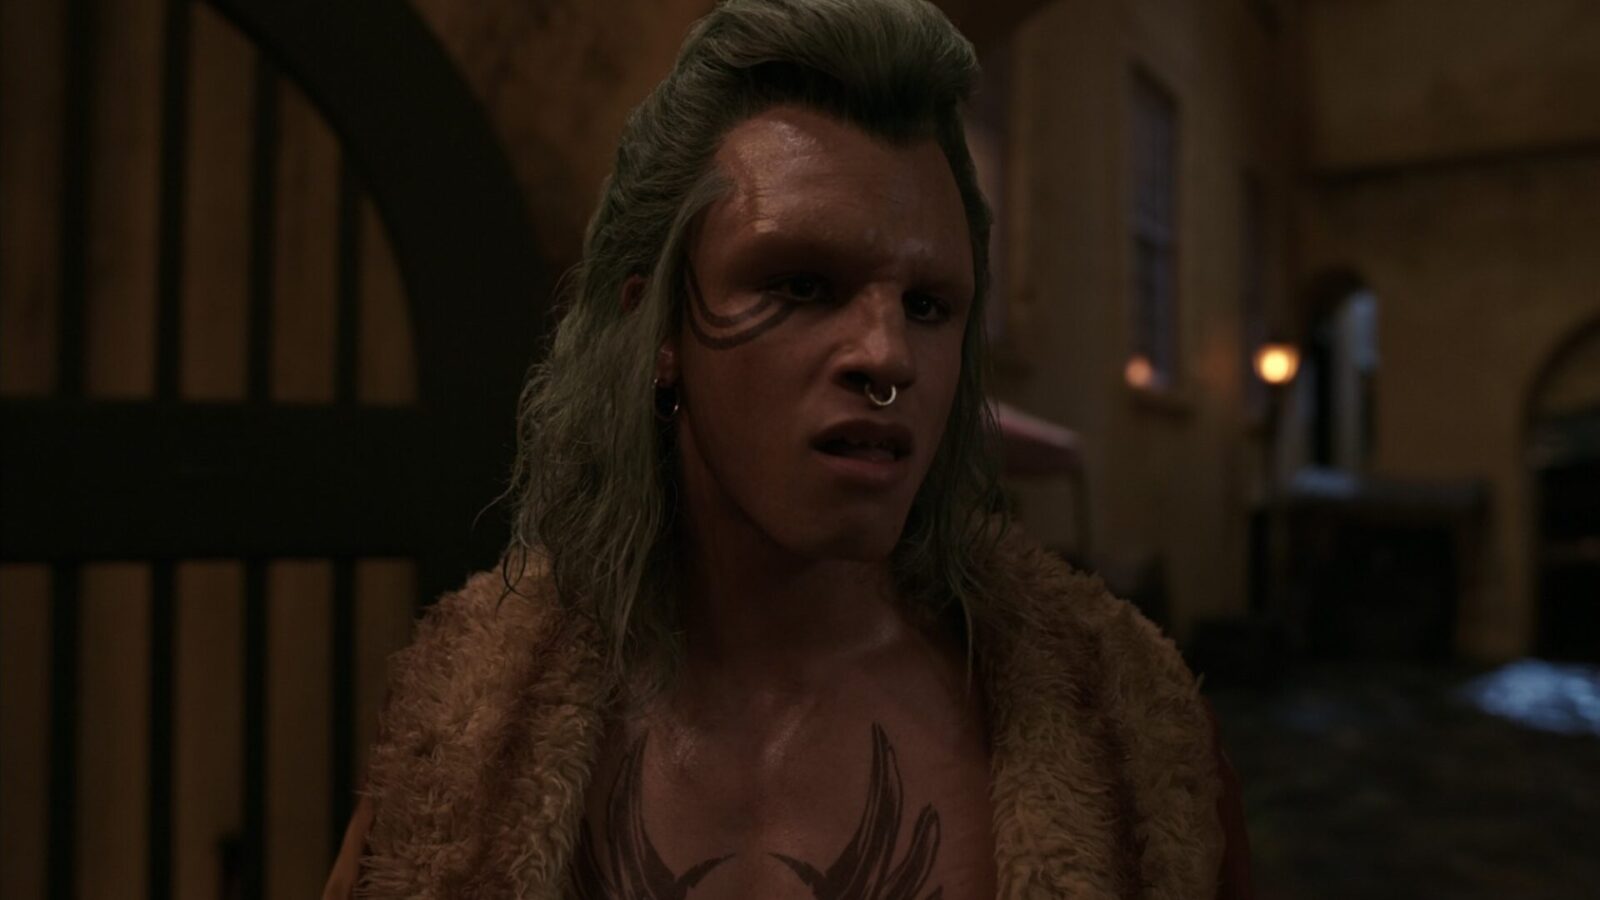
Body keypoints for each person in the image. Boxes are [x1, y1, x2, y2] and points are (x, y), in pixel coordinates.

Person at [324, 0, 1251, 897]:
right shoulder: (472, 731)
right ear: (657, 331)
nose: (887, 356)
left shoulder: (1127, 731)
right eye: (803, 285)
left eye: (928, 306)